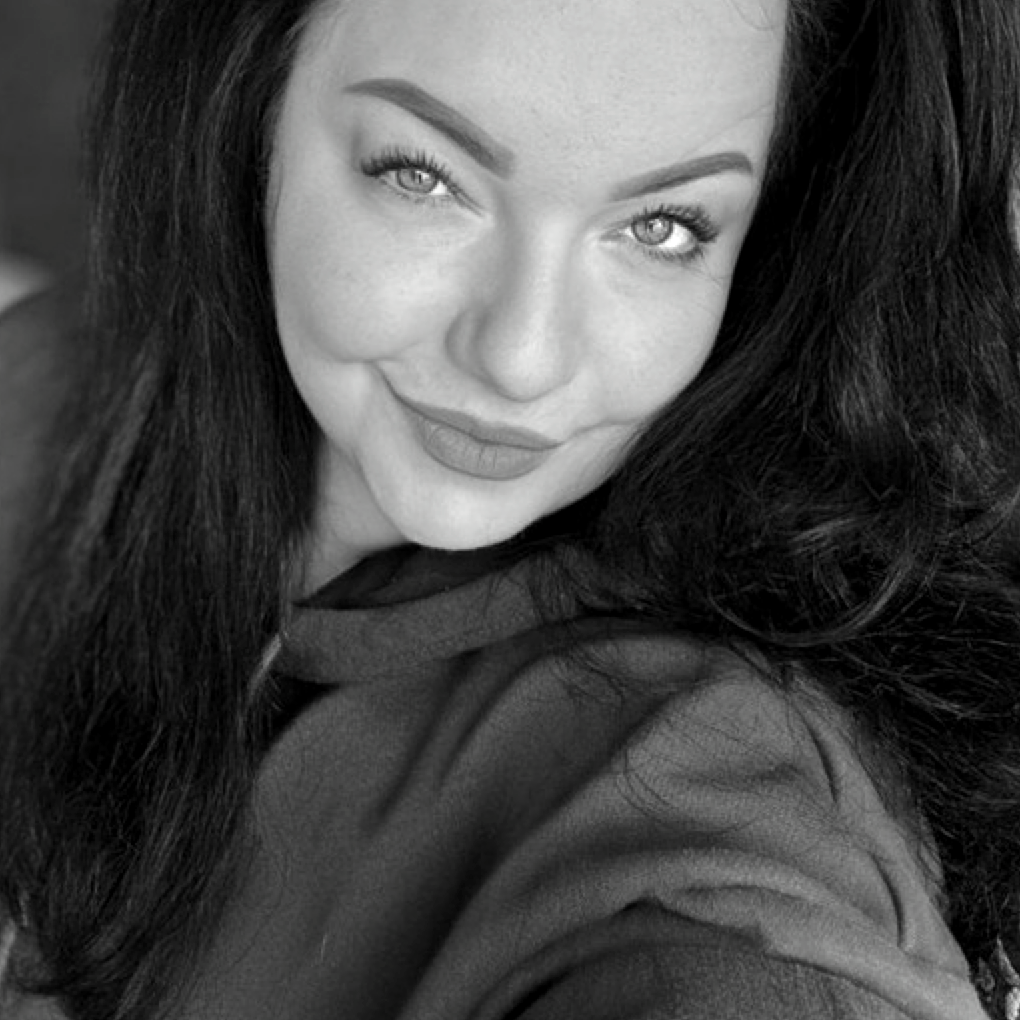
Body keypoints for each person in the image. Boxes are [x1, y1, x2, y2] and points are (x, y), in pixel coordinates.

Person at [1, 0, 1019, 1018]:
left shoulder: (720, 823)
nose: (521, 358)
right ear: (247, 103)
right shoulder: (49, 383)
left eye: (660, 227)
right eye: (424, 175)